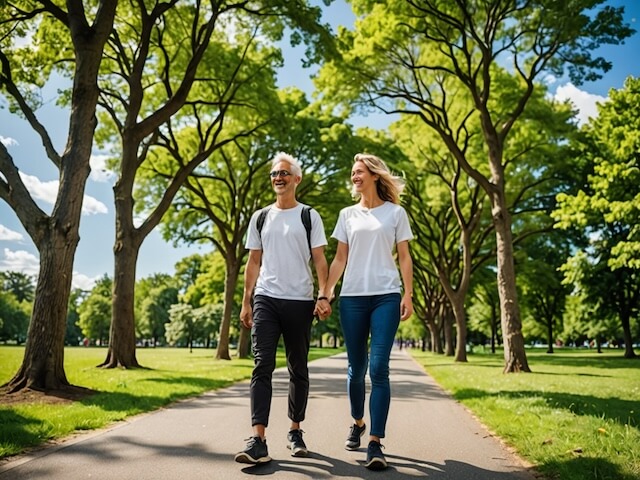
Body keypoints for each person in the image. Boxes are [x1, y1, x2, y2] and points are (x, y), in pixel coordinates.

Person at [234, 152, 332, 465]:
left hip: (301, 300)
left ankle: (295, 431)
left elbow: (320, 259)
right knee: (262, 365)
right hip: (266, 297)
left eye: (284, 173)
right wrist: (247, 298)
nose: (278, 178)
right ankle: (258, 439)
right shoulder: (260, 217)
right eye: (275, 173)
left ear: (296, 179)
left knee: (297, 368)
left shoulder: (309, 216)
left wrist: (323, 295)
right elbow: (253, 261)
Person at [324, 153, 414, 470]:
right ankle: (358, 422)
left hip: (386, 296)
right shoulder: (347, 214)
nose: (354, 176)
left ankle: (375, 442)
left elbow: (404, 257)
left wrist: (409, 295)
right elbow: (339, 259)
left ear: (375, 175)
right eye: (353, 172)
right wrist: (325, 291)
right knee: (355, 369)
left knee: (378, 368)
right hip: (351, 298)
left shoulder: (396, 213)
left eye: (359, 171)